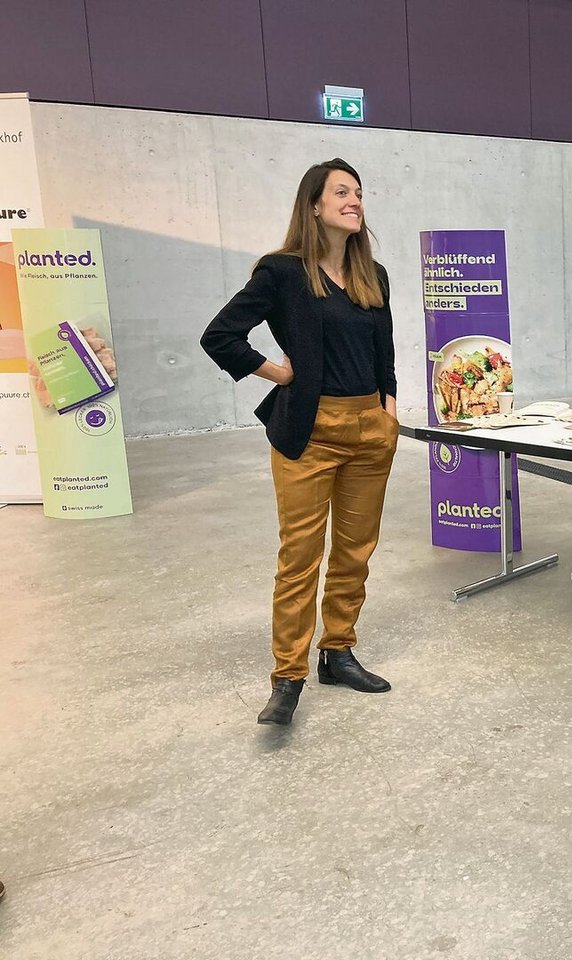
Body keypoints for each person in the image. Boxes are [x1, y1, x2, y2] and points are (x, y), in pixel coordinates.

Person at [201, 158, 399, 726]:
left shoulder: (373, 274)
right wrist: (277, 371)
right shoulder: (282, 272)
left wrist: (388, 406)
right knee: (300, 556)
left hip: (369, 429)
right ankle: (288, 676)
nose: (354, 200)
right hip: (309, 432)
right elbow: (220, 335)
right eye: (341, 192)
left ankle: (338, 651)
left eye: (358, 192)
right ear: (313, 205)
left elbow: (384, 350)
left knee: (356, 550)